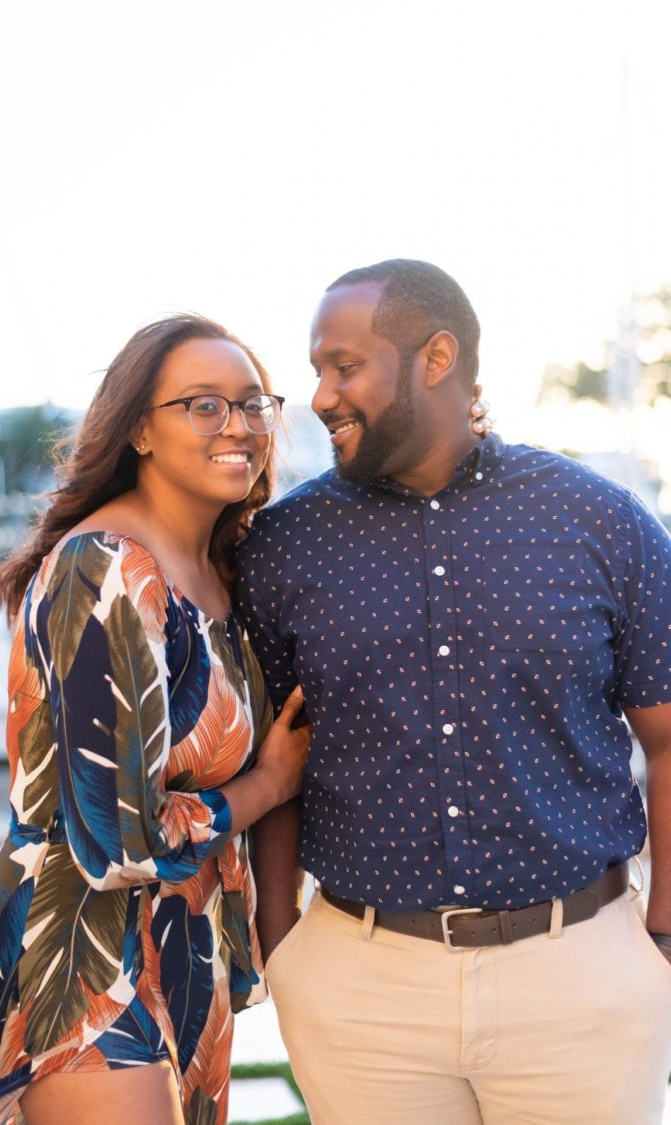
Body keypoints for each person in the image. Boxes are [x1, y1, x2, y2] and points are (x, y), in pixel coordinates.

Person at [236, 259, 671, 1125]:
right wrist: (280, 942)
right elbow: (274, 759)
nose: (319, 396)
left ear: (435, 357)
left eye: (344, 366)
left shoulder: (600, 520)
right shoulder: (284, 545)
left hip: (580, 976)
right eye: (316, 370)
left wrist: (662, 936)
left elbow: (667, 737)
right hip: (362, 985)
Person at [0, 315, 312, 1125]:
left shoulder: (217, 573)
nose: (239, 425)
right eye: (203, 405)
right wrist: (269, 784)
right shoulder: (103, 568)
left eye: (253, 403)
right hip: (83, 954)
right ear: (139, 426)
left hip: (184, 946)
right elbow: (116, 840)